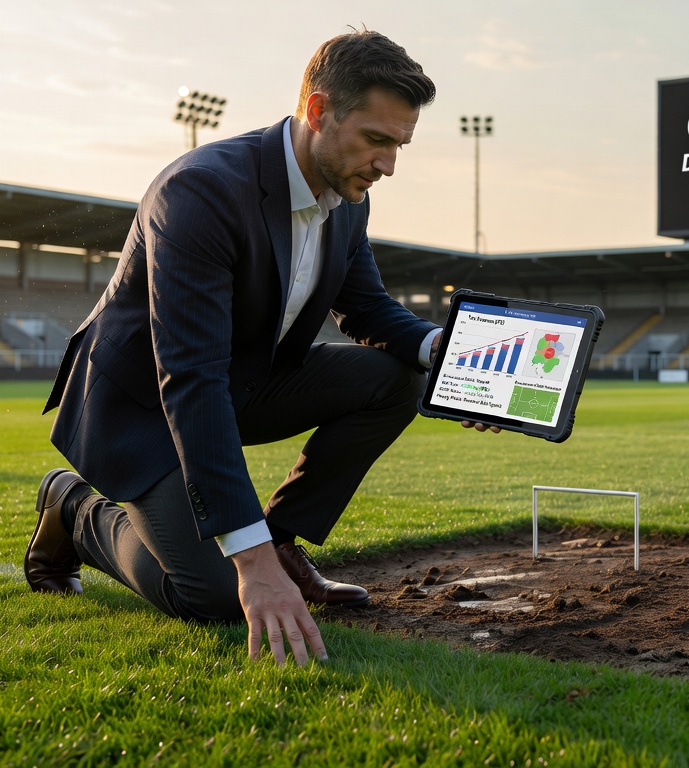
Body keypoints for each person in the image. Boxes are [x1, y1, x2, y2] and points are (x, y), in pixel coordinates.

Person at [26, 29, 494, 667]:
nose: (389, 165)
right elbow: (189, 377)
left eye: (400, 144)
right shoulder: (200, 190)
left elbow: (366, 308)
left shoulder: (347, 197)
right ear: (317, 109)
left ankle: (282, 540)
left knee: (399, 378)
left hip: (242, 383)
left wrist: (446, 352)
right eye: (377, 140)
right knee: (217, 595)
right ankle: (75, 508)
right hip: (144, 406)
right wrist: (247, 565)